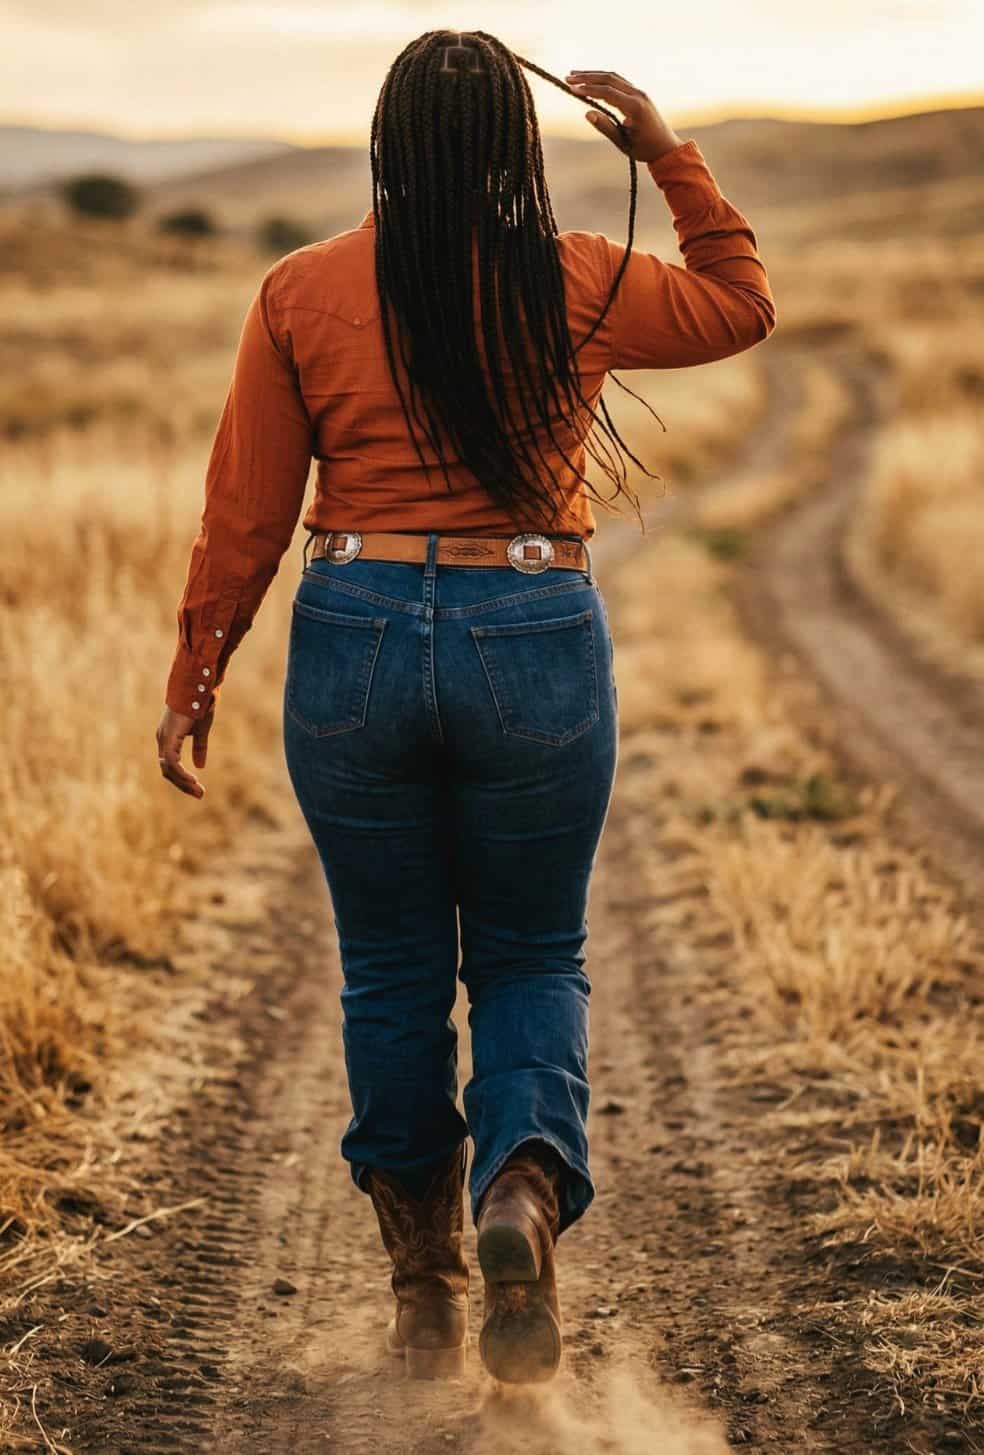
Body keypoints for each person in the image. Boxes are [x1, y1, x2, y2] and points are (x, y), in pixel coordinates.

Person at [156, 30, 775, 1385]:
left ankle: (424, 1291)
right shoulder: (580, 280)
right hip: (533, 625)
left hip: (355, 629)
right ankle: (520, 1196)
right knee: (530, 955)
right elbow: (742, 306)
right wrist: (664, 152)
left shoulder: (300, 290)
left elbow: (248, 513)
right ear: (517, 140)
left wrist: (197, 672)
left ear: (388, 140)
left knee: (387, 968)